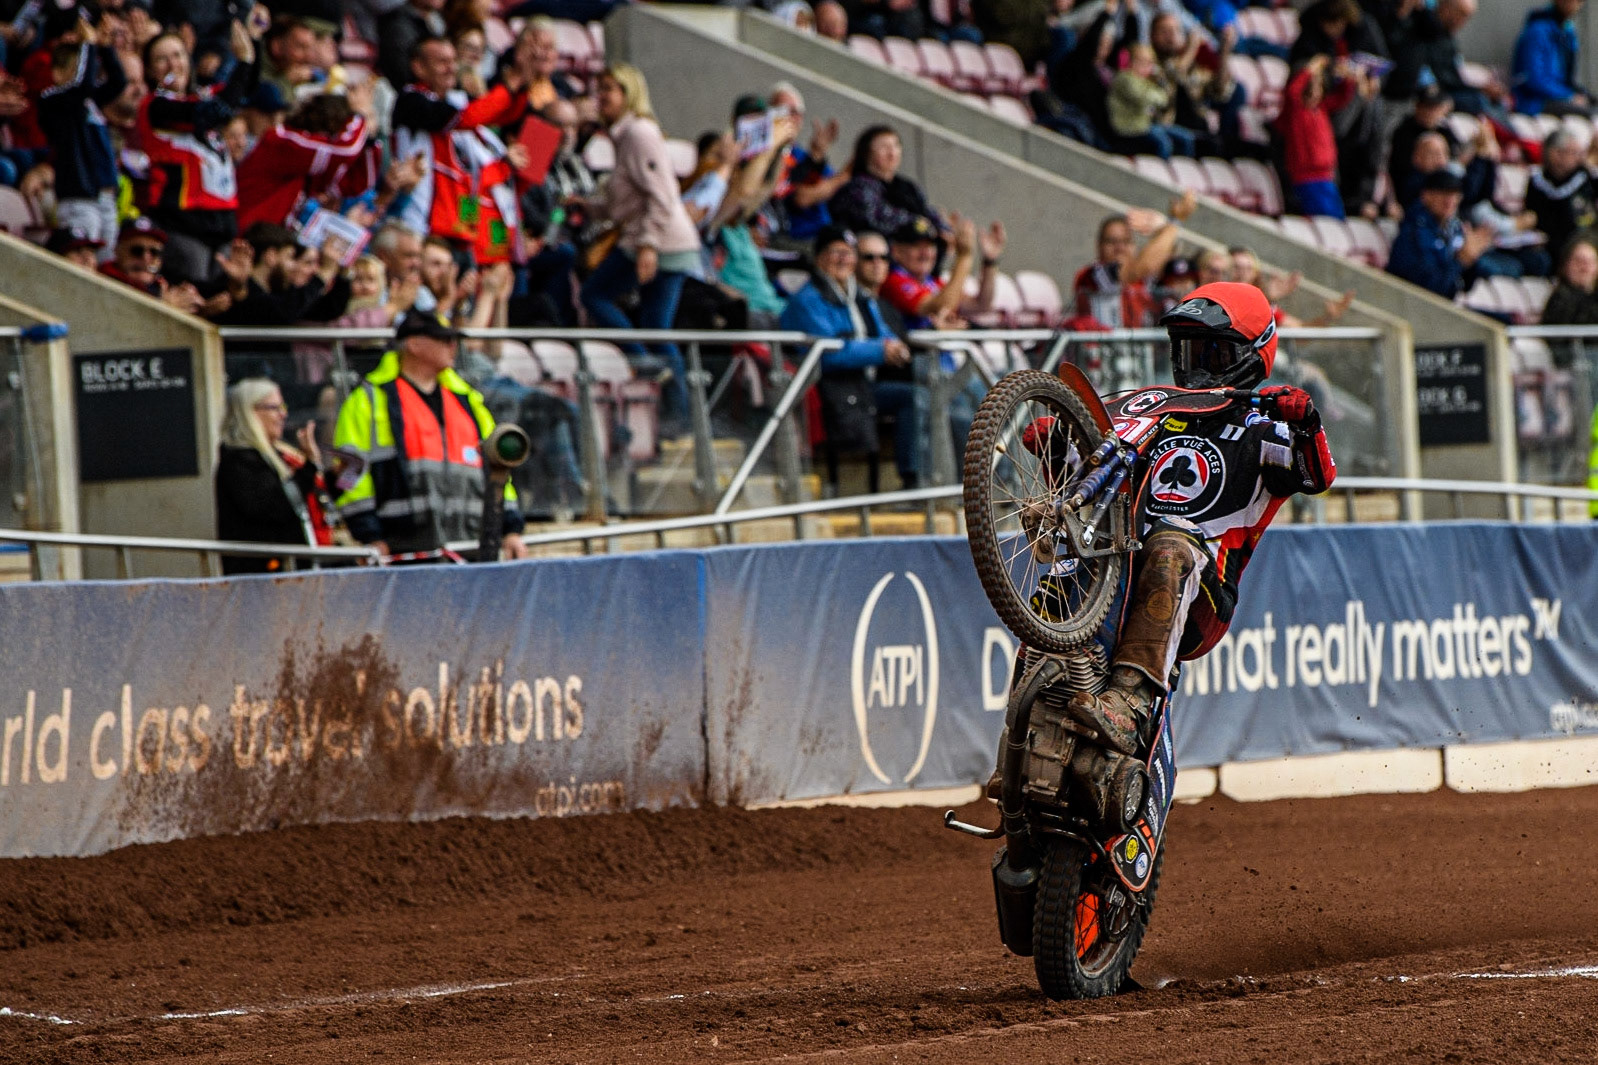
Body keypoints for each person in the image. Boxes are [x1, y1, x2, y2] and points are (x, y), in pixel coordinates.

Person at [1032, 281, 1336, 752]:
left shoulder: (1266, 428)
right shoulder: (1153, 411)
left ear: (1251, 356)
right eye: (1190, 350)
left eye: (1213, 353)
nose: (1197, 365)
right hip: (1121, 560)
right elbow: (1085, 463)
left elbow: (1316, 477)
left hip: (1203, 590)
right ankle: (1022, 735)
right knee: (1064, 567)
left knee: (1170, 546)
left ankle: (1129, 703)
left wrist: (1306, 422)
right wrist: (1056, 436)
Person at [331, 309, 528, 561]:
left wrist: (510, 529)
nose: (453, 346)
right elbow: (350, 474)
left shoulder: (469, 402)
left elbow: (498, 470)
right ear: (414, 344)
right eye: (444, 340)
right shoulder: (367, 401)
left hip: (470, 551)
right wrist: (370, 537)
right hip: (403, 554)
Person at [579, 63, 701, 434]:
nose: (600, 98)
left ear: (628, 93)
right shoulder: (623, 135)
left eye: (609, 91)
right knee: (656, 325)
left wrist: (648, 245)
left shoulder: (638, 133)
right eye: (598, 90)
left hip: (657, 242)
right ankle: (679, 414)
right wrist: (589, 205)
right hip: (664, 241)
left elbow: (662, 196)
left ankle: (648, 367)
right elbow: (629, 195)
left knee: (594, 295)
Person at [780, 225, 924, 491]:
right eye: (837, 252)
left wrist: (895, 347)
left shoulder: (859, 296)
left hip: (859, 385)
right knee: (911, 396)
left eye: (849, 253)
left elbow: (883, 332)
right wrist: (879, 351)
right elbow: (827, 354)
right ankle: (911, 482)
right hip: (825, 389)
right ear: (819, 257)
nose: (844, 259)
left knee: (919, 392)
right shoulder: (808, 300)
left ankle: (918, 479)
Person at [137, 19, 264, 284]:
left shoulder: (199, 97)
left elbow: (244, 89)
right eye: (162, 59)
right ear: (149, 70)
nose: (173, 65)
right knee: (193, 295)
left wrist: (254, 40)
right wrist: (244, 61)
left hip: (222, 226)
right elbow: (216, 111)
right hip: (182, 225)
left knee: (223, 301)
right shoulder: (157, 107)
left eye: (178, 55)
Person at [215, 377, 335, 574]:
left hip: (291, 570)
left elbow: (301, 496)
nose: (283, 414)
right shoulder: (239, 460)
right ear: (250, 413)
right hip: (263, 576)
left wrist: (333, 479)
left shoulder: (276, 454)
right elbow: (277, 505)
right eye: (275, 408)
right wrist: (309, 468)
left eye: (284, 407)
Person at [37, 19, 126, 257]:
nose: (83, 74)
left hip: (106, 197)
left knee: (104, 265)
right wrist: (88, 45)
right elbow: (82, 86)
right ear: (57, 72)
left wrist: (105, 47)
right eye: (75, 68)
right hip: (78, 196)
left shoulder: (90, 101)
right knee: (81, 259)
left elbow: (118, 82)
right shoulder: (52, 99)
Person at [1385, 167, 1495, 300]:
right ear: (1426, 196)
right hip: (1409, 302)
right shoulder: (1414, 231)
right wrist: (1460, 260)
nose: (1450, 201)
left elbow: (1467, 286)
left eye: (1455, 195)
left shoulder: (1455, 229)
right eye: (1443, 194)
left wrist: (1472, 259)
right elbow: (1429, 289)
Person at [1277, 54, 1360, 219]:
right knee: (1325, 221)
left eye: (1319, 86)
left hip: (1327, 176)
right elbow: (1293, 91)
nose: (1316, 91)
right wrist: (1311, 68)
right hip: (1307, 178)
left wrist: (1347, 79)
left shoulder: (1321, 108)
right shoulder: (1296, 110)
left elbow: (1342, 98)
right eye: (1312, 86)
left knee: (1338, 221)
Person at [828, 125, 943, 238]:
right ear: (867, 152)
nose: (892, 154)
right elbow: (874, 217)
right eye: (884, 147)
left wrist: (943, 229)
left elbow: (927, 211)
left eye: (896, 146)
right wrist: (919, 223)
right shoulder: (858, 186)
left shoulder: (908, 186)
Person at [1511, 0, 1594, 118]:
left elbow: (1569, 79)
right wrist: (1568, 96)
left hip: (1558, 97)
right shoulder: (1537, 31)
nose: (1577, 4)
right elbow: (1533, 80)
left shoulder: (1568, 32)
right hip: (1535, 102)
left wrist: (1577, 95)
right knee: (1591, 114)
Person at [1525, 129, 1598, 262]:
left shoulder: (1586, 176)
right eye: (1574, 153)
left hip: (1587, 239)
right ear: (1555, 154)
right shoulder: (1537, 181)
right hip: (1552, 244)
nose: (1579, 158)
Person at [1542, 236, 1598, 325]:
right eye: (1579, 261)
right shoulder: (1560, 299)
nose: (1584, 268)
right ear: (1566, 266)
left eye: (1590, 262)